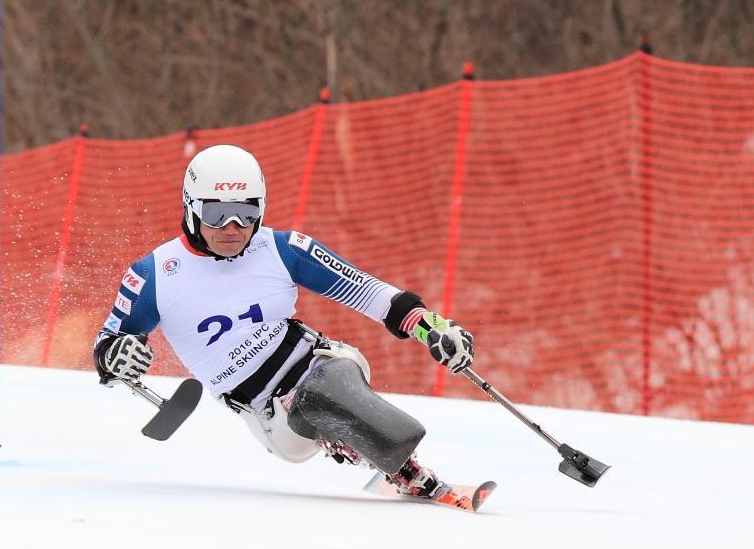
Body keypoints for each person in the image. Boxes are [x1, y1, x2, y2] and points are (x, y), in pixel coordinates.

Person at [92, 144, 475, 498]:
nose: (232, 227)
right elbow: (109, 343)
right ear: (191, 208)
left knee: (328, 385)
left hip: (325, 363)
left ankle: (395, 464)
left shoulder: (281, 248)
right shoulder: (155, 274)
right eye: (216, 213)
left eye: (246, 213)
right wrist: (116, 356)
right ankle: (367, 448)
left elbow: (367, 292)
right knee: (316, 399)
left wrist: (432, 328)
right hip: (271, 419)